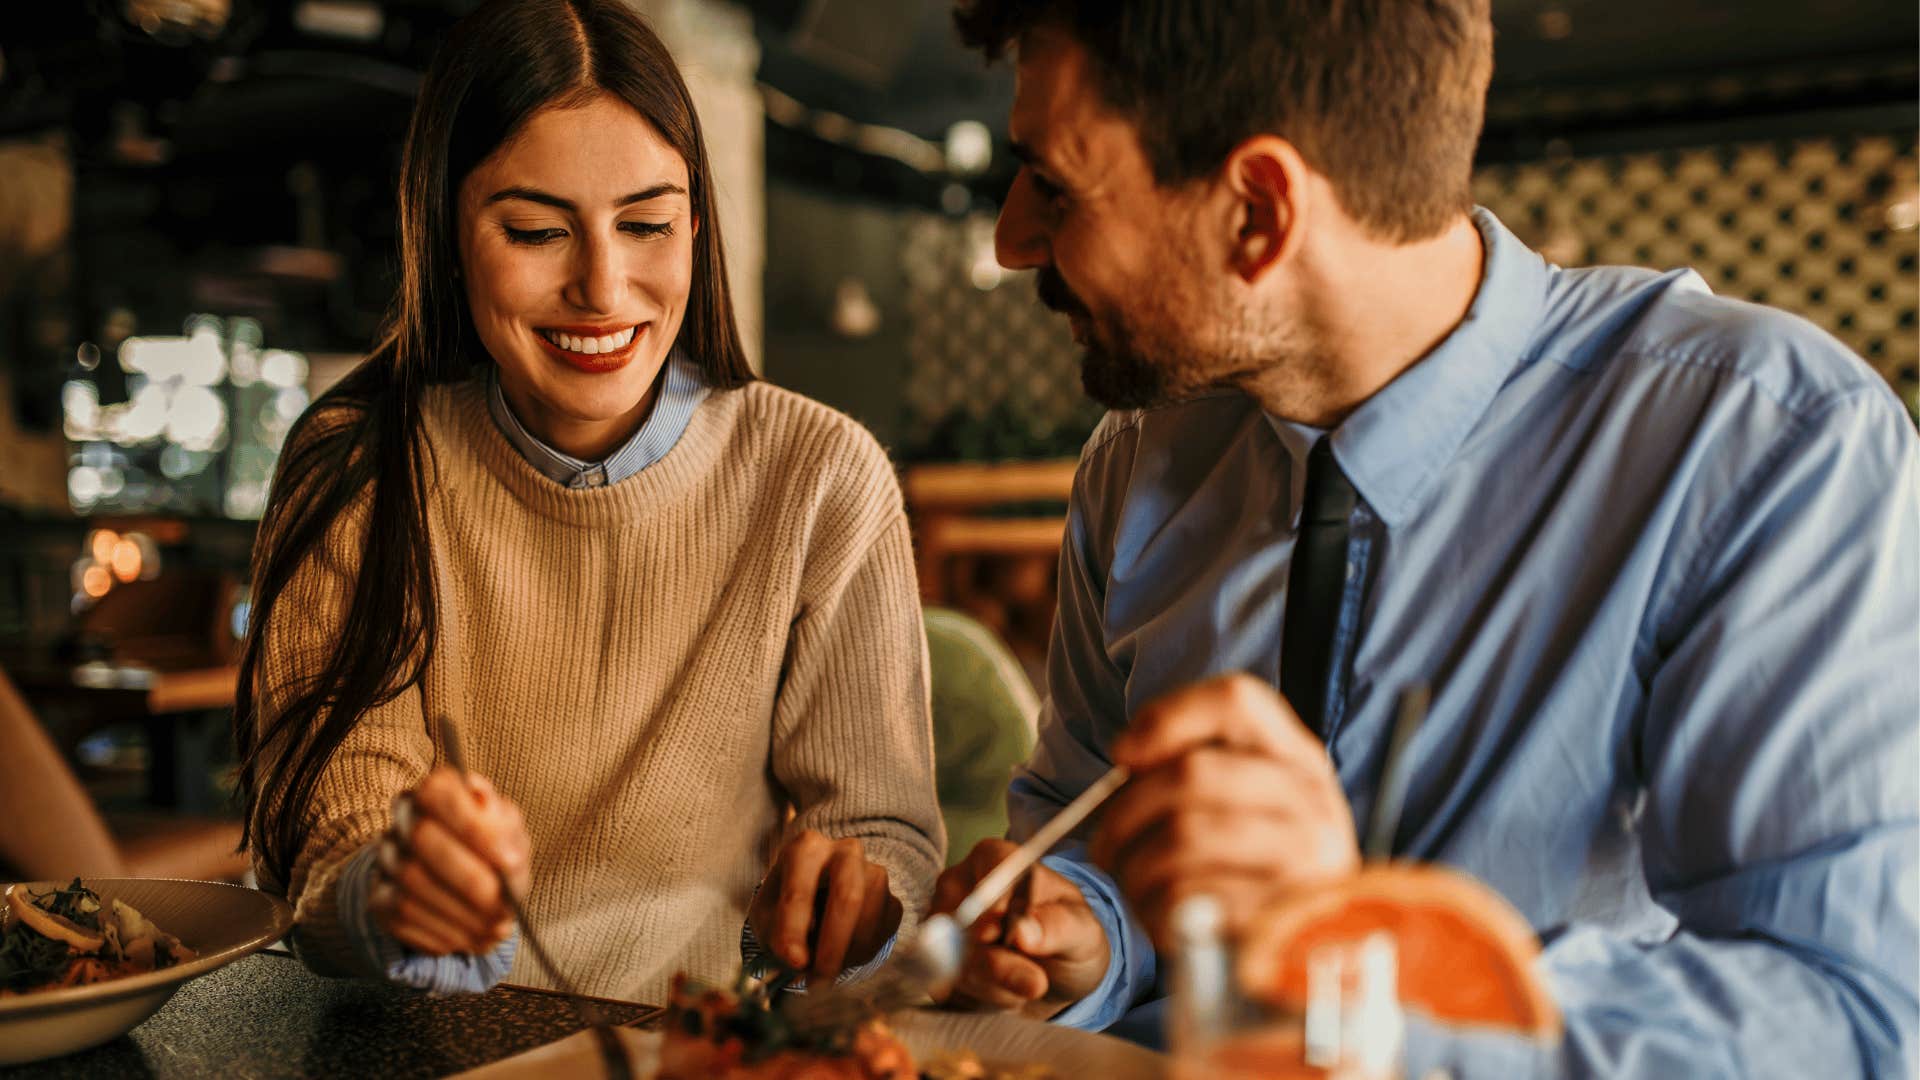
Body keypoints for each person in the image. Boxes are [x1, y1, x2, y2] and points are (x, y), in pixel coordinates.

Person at [929, 1, 1919, 1075]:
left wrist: (1362, 964)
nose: (1010, 238)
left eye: (1056, 188)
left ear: (1259, 213)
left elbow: (1851, 1022)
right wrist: (1090, 939)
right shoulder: (1135, 464)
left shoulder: (1766, 446)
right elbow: (1087, 831)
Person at [233, 0, 942, 1004]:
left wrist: (859, 902)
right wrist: (384, 890)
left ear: (696, 225)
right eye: (534, 230)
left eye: (647, 224)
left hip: (696, 1050)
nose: (603, 289)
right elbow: (326, 844)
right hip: (418, 1052)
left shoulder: (820, 475)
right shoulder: (358, 469)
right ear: (444, 230)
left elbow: (886, 836)